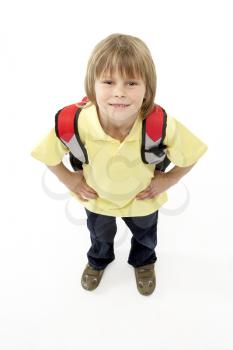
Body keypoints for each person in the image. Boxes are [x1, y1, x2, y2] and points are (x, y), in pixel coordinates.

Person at [31, 33, 208, 296]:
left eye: (132, 82)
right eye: (109, 81)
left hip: (142, 199)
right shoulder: (76, 122)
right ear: (92, 85)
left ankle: (144, 261)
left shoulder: (159, 124)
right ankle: (99, 260)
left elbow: (192, 153)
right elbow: (47, 154)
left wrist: (169, 180)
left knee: (146, 236)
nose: (119, 92)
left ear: (148, 88)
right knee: (99, 236)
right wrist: (69, 179)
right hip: (97, 199)